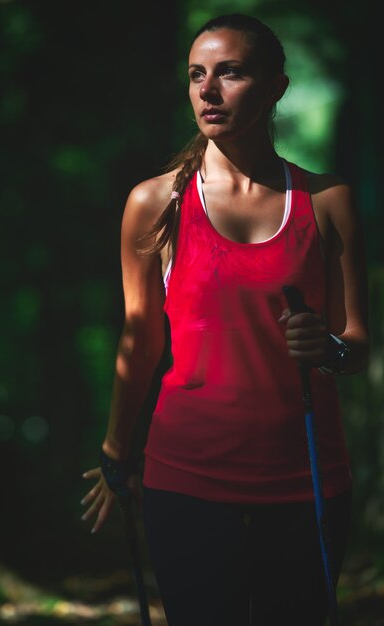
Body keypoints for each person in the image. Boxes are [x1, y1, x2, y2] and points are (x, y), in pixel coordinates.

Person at [80, 12, 370, 626]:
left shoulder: (327, 202)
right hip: (186, 478)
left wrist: (327, 346)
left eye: (230, 72)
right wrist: (115, 453)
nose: (207, 90)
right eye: (196, 75)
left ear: (276, 88)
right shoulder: (155, 204)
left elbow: (357, 347)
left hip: (306, 478)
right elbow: (140, 339)